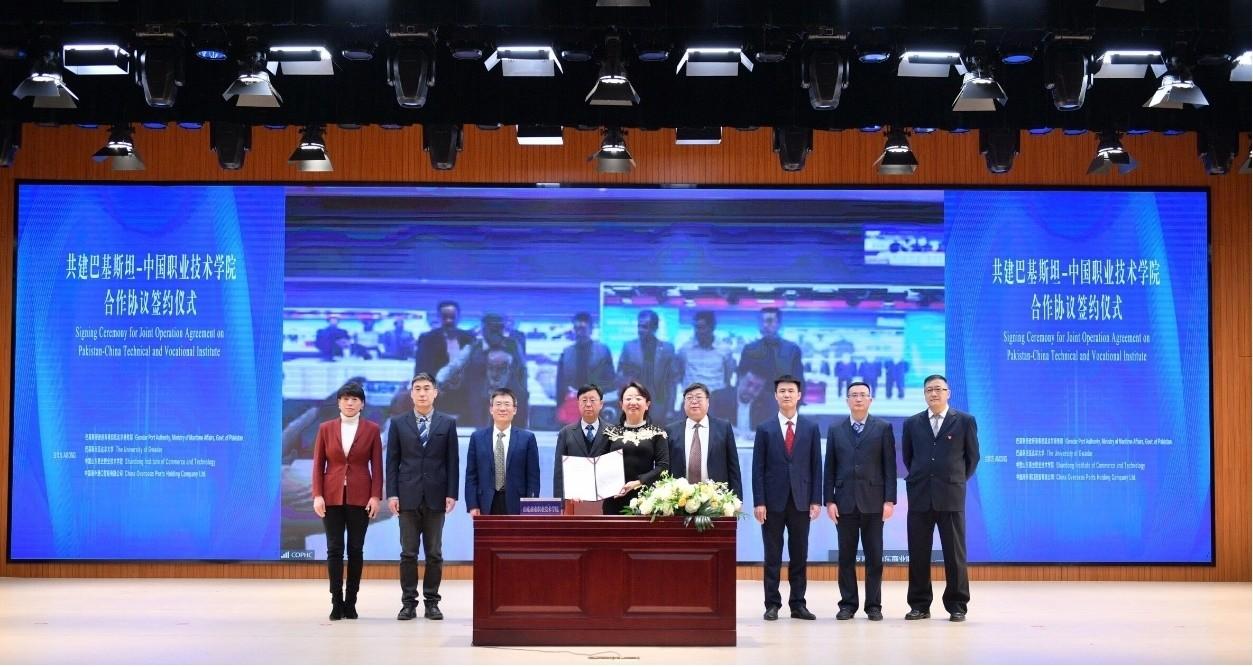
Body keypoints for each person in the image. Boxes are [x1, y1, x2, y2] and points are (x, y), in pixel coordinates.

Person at [902, 374, 980, 623]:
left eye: (938, 389)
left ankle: (957, 605)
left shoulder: (965, 421)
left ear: (948, 393)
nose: (933, 393)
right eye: (929, 390)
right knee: (918, 554)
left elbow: (972, 458)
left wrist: (955, 479)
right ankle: (919, 605)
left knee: (954, 554)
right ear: (924, 394)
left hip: (951, 496)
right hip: (920, 496)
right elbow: (908, 458)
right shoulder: (912, 423)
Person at [386, 373, 459, 622]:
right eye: (417, 388)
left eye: (427, 388)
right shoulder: (398, 423)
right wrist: (392, 493)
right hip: (407, 496)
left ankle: (432, 603)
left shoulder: (447, 423)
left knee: (434, 553)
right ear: (411, 393)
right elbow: (392, 461)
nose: (422, 393)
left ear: (435, 393)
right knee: (408, 553)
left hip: (436, 496)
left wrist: (451, 493)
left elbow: (452, 462)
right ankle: (408, 603)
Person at [824, 381, 897, 622]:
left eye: (862, 395)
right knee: (845, 557)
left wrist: (889, 500)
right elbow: (829, 467)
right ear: (847, 400)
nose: (858, 399)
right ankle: (847, 604)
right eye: (853, 395)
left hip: (874, 503)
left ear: (870, 400)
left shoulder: (883, 428)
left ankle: (873, 606)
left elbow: (889, 466)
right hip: (844, 503)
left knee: (874, 557)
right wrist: (829, 500)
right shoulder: (835, 430)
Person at [751, 374, 821, 622]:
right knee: (772, 555)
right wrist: (759, 501)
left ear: (799, 395)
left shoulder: (811, 428)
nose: (787, 395)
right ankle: (772, 604)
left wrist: (816, 499)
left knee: (799, 555)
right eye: (782, 391)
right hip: (772, 502)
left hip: (801, 500)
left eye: (791, 391)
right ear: (775, 396)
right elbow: (758, 468)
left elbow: (816, 466)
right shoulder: (765, 428)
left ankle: (798, 604)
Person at [311, 382, 383, 621]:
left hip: (360, 497)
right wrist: (317, 495)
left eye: (355, 399)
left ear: (362, 404)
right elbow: (318, 465)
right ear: (338, 402)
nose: (350, 403)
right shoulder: (325, 428)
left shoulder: (372, 429)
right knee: (334, 549)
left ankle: (351, 602)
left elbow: (377, 467)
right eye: (345, 399)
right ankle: (336, 601)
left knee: (355, 549)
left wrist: (375, 496)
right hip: (331, 496)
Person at [437, 313, 529, 429]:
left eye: (499, 328)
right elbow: (454, 366)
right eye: (492, 328)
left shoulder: (513, 345)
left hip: (506, 396)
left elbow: (522, 369)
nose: (496, 332)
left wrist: (523, 392)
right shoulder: (473, 347)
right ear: (484, 329)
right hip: (479, 398)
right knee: (482, 428)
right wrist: (439, 380)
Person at [465, 388, 540, 515]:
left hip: (517, 503)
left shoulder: (527, 438)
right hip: (485, 503)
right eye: (498, 404)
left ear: (514, 410)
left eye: (507, 404)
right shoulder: (477, 438)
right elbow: (471, 475)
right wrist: (472, 505)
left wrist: (530, 505)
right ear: (491, 409)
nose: (502, 408)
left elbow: (533, 477)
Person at [601, 381, 670, 516]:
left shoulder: (657, 433)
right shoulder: (609, 433)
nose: (633, 402)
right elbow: (600, 464)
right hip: (614, 498)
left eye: (638, 398)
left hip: (646, 501)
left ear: (647, 404)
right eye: (628, 399)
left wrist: (638, 482)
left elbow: (663, 467)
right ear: (621, 405)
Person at [666, 382, 743, 501]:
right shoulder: (671, 430)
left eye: (698, 397)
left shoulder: (723, 428)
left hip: (717, 500)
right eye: (689, 398)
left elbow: (733, 466)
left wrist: (737, 499)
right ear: (684, 404)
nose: (694, 401)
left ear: (708, 402)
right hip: (680, 500)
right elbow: (665, 468)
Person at [737, 308, 806, 417]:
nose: (765, 325)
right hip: (756, 408)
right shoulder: (749, 349)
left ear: (779, 324)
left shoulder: (792, 350)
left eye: (769, 321)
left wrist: (796, 406)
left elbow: (799, 381)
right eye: (762, 321)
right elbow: (741, 380)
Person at [616, 310, 681, 425]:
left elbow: (672, 382)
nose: (640, 330)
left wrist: (670, 409)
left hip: (659, 403)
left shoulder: (667, 349)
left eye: (645, 327)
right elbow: (620, 375)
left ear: (655, 328)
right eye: (639, 326)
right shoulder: (628, 347)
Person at [552, 384, 612, 498]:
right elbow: (559, 472)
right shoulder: (566, 433)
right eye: (584, 400)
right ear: (578, 404)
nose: (588, 404)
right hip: (574, 498)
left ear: (601, 404)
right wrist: (560, 502)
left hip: (605, 499)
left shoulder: (612, 432)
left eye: (592, 400)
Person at [554, 312, 615, 408]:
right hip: (571, 405)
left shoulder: (603, 351)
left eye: (582, 329)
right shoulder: (566, 353)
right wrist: (559, 408)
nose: (578, 333)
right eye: (576, 329)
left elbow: (610, 381)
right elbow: (560, 385)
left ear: (591, 329)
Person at [677, 311, 735, 392]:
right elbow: (681, 374)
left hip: (716, 396)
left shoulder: (724, 349)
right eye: (696, 327)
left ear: (712, 328)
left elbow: (727, 377)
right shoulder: (685, 349)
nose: (697, 331)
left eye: (701, 327)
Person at [710, 368, 772, 438]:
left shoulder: (768, 402)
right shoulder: (718, 398)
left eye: (757, 388)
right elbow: (709, 425)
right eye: (749, 384)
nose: (751, 390)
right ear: (740, 379)